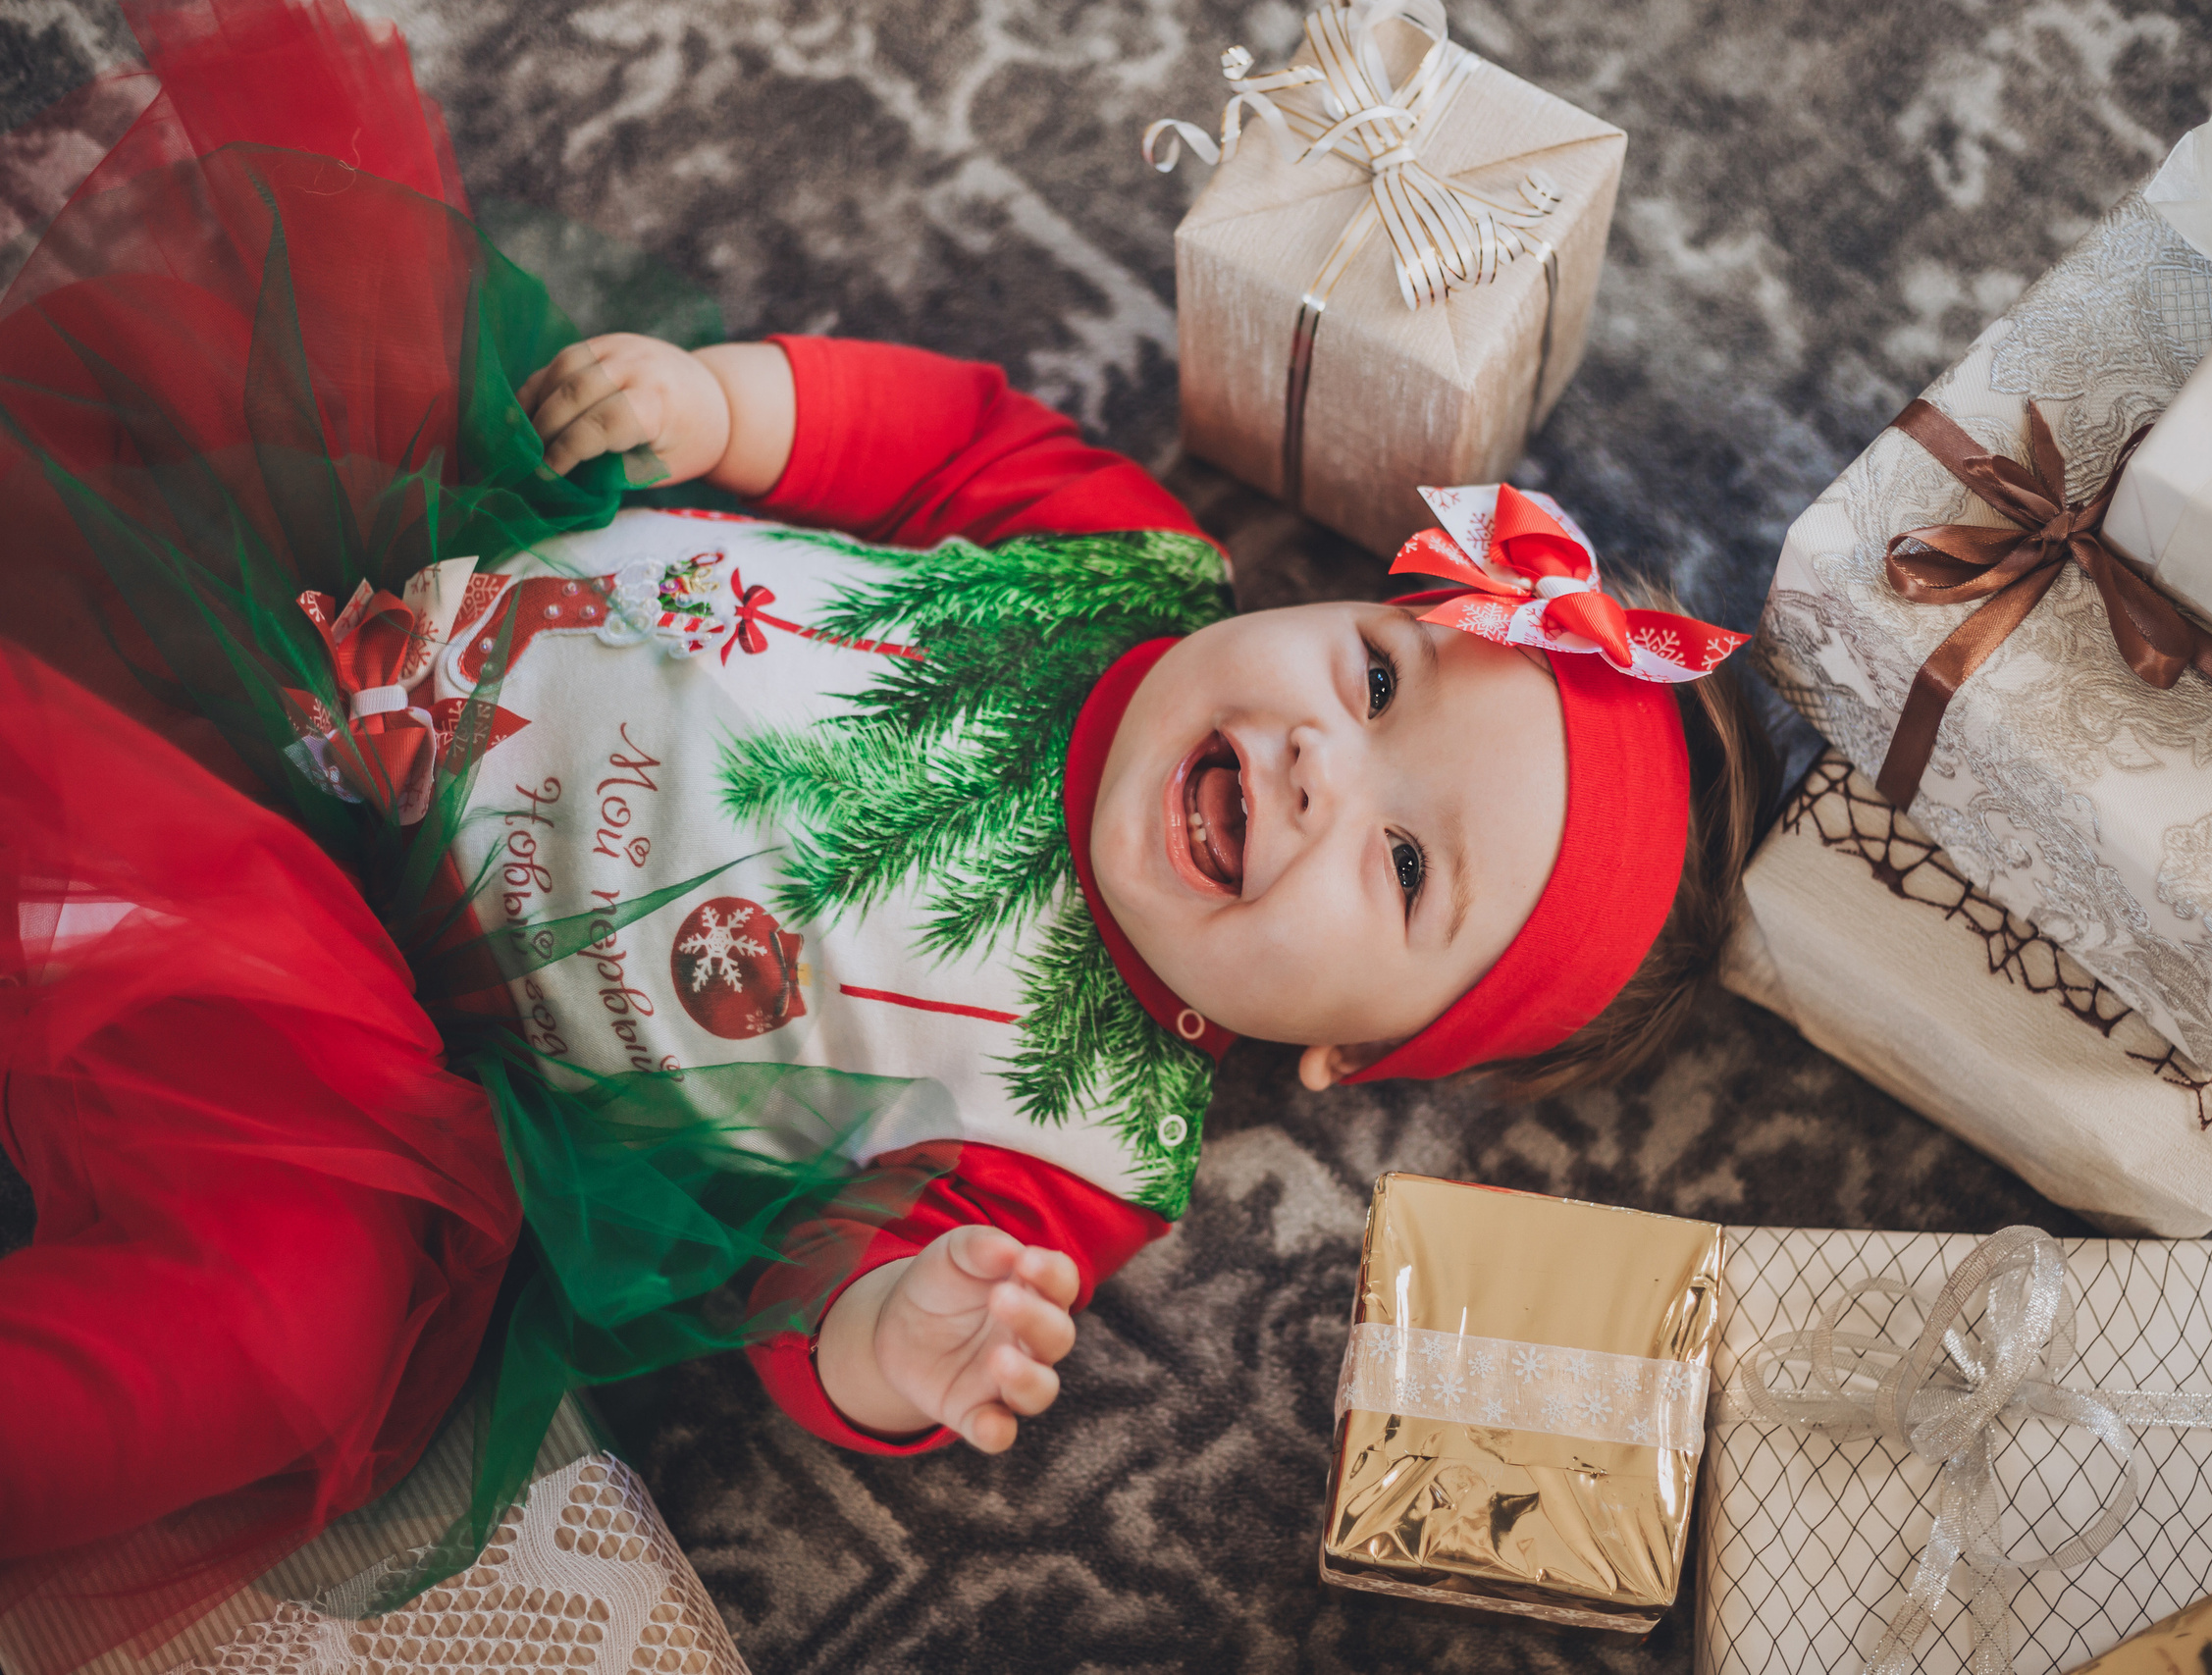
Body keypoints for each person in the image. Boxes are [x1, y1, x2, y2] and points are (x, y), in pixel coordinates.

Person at [0, 0, 1769, 1656]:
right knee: (300, 332)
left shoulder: (1091, 1144)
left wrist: (898, 1341)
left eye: (1405, 865)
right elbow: (932, 439)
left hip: (385, 1039)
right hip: (418, 581)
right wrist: (719, 406)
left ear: (1347, 1056)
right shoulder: (1133, 563)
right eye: (1379, 677)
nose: (1325, 764)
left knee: (286, 1333)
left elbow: (816, 1290)